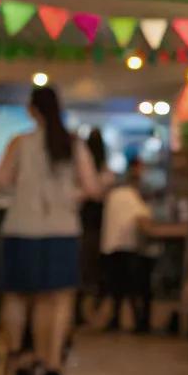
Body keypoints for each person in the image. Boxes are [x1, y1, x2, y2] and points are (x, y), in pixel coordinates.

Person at [0, 85, 100, 375]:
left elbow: (1, 182)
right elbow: (92, 188)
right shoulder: (72, 144)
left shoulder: (20, 142)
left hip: (20, 226)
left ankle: (19, 361)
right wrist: (72, 194)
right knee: (57, 298)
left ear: (31, 110)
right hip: (62, 228)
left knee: (18, 295)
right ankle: (51, 364)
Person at [100, 158, 153, 332]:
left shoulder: (115, 194)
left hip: (110, 246)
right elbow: (144, 220)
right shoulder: (131, 196)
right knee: (134, 286)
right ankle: (139, 322)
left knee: (117, 287)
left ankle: (116, 320)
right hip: (127, 247)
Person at [79, 128, 114, 321]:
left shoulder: (81, 170)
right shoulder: (104, 172)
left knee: (83, 267)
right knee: (93, 268)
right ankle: (88, 308)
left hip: (84, 223)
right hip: (99, 225)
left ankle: (79, 311)